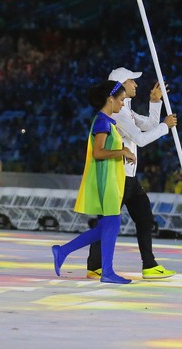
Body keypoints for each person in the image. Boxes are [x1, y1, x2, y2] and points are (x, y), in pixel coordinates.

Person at [86, 67, 178, 280]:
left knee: (142, 218)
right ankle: (97, 265)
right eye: (131, 81)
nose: (136, 84)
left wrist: (156, 103)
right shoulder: (119, 113)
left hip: (128, 175)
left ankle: (147, 264)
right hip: (118, 175)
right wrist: (166, 126)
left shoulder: (124, 108)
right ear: (120, 85)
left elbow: (148, 125)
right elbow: (142, 139)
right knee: (111, 221)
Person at [51, 80, 135, 285]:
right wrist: (122, 151)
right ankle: (106, 271)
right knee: (112, 224)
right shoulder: (102, 122)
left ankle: (62, 251)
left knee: (107, 226)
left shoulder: (106, 122)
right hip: (106, 182)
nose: (123, 104)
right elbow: (98, 153)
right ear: (110, 99)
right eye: (121, 100)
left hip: (111, 180)